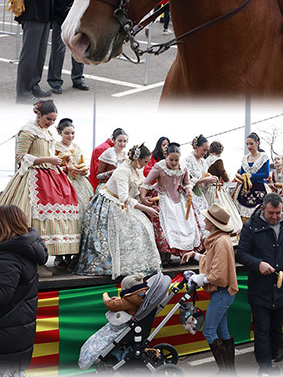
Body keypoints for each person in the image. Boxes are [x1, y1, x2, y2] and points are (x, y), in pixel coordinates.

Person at [0, 101, 81, 266]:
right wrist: (48, 159)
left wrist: (60, 160)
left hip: (51, 175)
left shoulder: (48, 133)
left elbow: (49, 155)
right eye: (48, 119)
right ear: (39, 114)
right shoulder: (28, 131)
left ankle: (43, 257)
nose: (51, 123)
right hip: (32, 177)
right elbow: (20, 157)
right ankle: (29, 260)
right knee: (29, 214)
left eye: (53, 120)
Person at [236, 191, 283, 374]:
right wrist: (258, 264)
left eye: (278, 213)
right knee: (261, 330)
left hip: (282, 288)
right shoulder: (250, 226)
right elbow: (241, 254)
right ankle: (265, 367)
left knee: (276, 329)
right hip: (259, 288)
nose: (275, 217)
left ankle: (273, 359)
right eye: (271, 213)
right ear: (263, 209)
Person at [76, 148, 161, 277]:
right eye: (145, 161)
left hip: (124, 204)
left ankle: (136, 264)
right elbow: (124, 198)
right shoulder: (123, 170)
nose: (146, 164)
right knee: (129, 229)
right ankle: (112, 265)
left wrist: (144, 201)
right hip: (110, 203)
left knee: (143, 226)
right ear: (137, 159)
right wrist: (146, 209)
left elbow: (134, 193)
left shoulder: (136, 170)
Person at [186, 204, 239, 371]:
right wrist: (195, 255)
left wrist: (200, 278)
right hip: (223, 293)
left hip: (222, 292)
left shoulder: (220, 241)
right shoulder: (221, 239)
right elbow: (214, 262)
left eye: (206, 219)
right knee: (222, 331)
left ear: (214, 223)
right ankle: (230, 372)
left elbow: (219, 275)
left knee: (209, 332)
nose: (204, 220)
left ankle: (226, 373)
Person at [0, 204, 48, 367]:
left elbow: (2, 296)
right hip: (16, 335)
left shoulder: (7, 257)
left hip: (6, 340)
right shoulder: (23, 250)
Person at [12, 0, 55, 102]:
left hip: (43, 15)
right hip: (32, 15)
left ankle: (34, 85)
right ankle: (23, 93)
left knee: (39, 55)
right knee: (29, 55)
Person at [142, 142, 198, 259]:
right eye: (171, 160)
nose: (173, 163)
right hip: (162, 198)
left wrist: (188, 190)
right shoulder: (159, 167)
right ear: (166, 156)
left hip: (179, 199)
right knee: (166, 228)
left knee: (184, 225)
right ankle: (163, 257)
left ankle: (183, 256)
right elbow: (146, 183)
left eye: (176, 160)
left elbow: (187, 183)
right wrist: (143, 198)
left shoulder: (183, 167)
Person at [47, 0, 89, 93]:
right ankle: (55, 82)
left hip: (78, 21)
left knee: (79, 50)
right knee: (57, 53)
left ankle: (78, 79)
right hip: (61, 20)